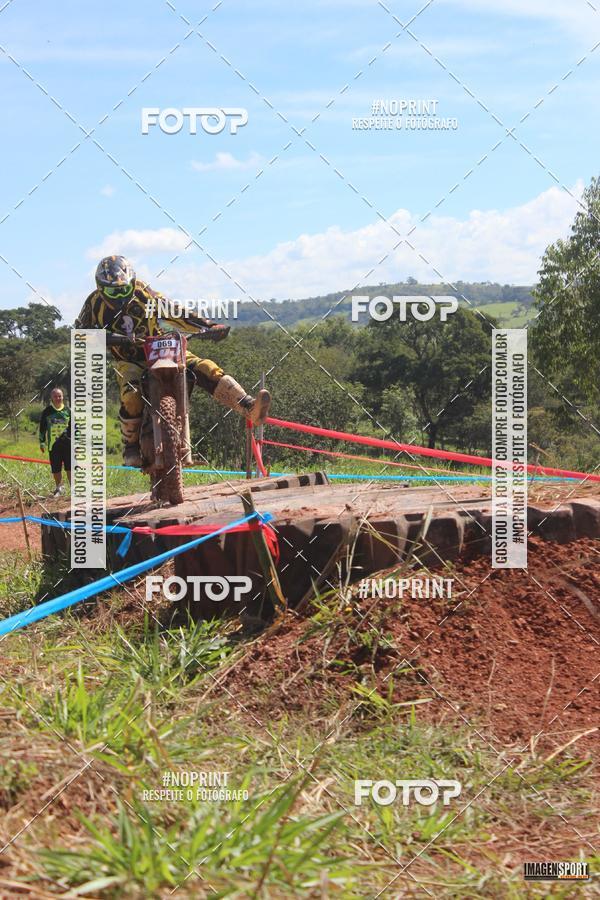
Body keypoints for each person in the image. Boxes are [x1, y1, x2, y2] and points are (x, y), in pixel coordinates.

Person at [74, 256, 271, 466]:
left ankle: (248, 406)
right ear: (100, 288)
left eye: (124, 289)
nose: (120, 296)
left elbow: (176, 312)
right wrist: (110, 338)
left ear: (132, 282)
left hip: (159, 347)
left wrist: (208, 326)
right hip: (128, 360)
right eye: (113, 292)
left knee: (205, 367)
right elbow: (78, 334)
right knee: (130, 395)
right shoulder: (93, 303)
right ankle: (130, 446)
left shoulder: (144, 293)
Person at [39, 387, 71, 496]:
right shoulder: (47, 412)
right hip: (54, 445)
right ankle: (59, 488)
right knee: (56, 468)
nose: (58, 398)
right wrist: (42, 442)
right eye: (55, 396)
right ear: (51, 398)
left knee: (70, 467)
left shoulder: (68, 411)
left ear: (63, 397)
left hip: (68, 444)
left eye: (60, 396)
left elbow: (76, 428)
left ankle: (74, 489)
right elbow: (42, 428)